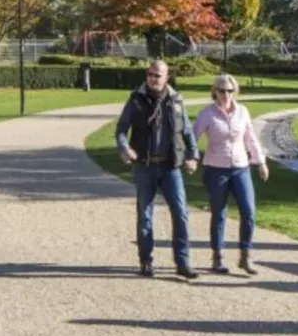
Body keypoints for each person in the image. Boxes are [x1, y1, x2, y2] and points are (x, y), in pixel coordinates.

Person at [116, 59, 200, 280]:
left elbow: (188, 131)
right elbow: (121, 129)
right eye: (151, 74)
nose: (153, 79)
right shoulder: (136, 100)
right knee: (145, 216)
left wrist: (193, 155)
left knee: (181, 214)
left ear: (166, 77)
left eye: (158, 75)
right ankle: (146, 261)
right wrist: (125, 148)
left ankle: (183, 262)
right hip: (145, 166)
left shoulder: (176, 99)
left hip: (170, 166)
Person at [193, 74, 271, 275]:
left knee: (249, 212)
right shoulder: (207, 114)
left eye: (230, 90)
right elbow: (193, 138)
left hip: (240, 168)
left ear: (235, 91)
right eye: (221, 90)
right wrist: (191, 158)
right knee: (219, 213)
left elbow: (251, 139)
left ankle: (245, 255)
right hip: (215, 169)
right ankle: (217, 257)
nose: (226, 94)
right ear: (215, 92)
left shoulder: (242, 112)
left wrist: (261, 162)